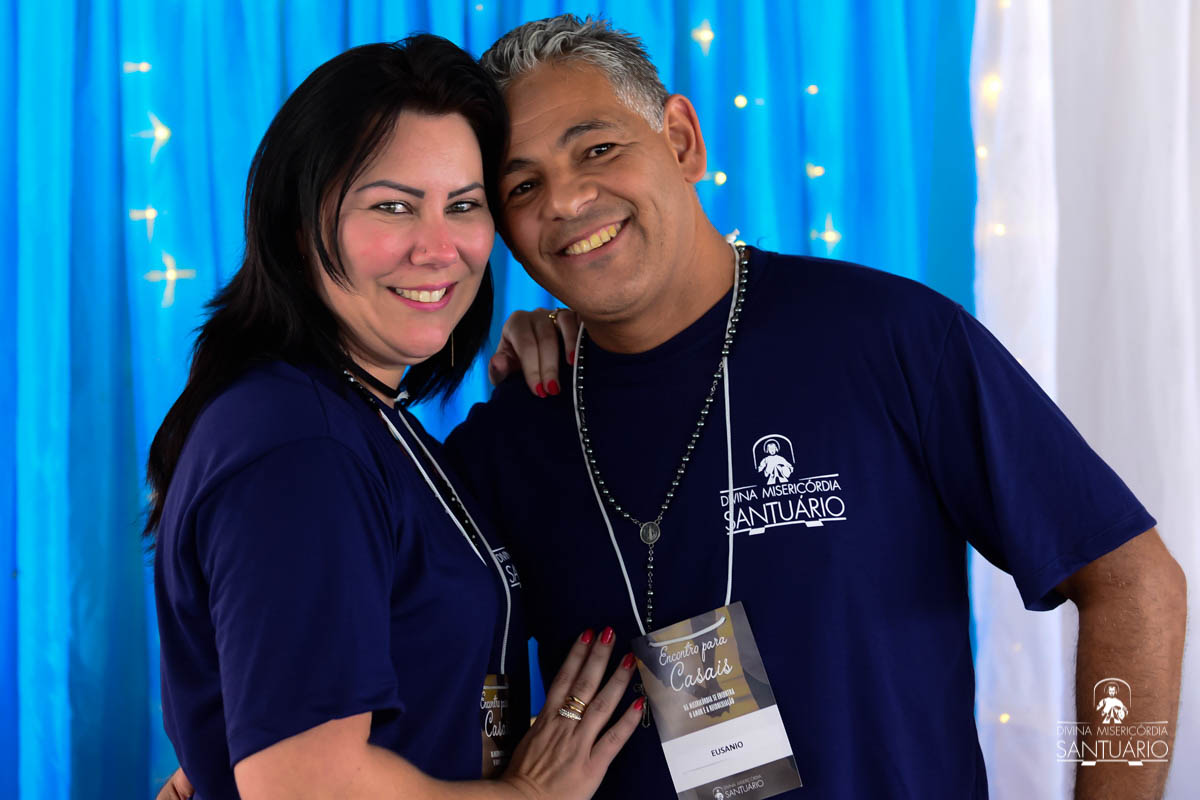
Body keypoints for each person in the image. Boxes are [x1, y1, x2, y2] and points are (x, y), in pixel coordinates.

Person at [438, 14, 1187, 800]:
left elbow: (1135, 581)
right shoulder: (506, 441)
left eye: (597, 149)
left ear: (682, 140)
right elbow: (457, 708)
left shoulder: (890, 338)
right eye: (522, 186)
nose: (566, 199)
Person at [147, 35, 641, 800]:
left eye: (464, 206)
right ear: (297, 225)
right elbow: (304, 790)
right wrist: (527, 797)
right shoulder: (300, 445)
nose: (439, 249)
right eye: (393, 206)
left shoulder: (361, 416)